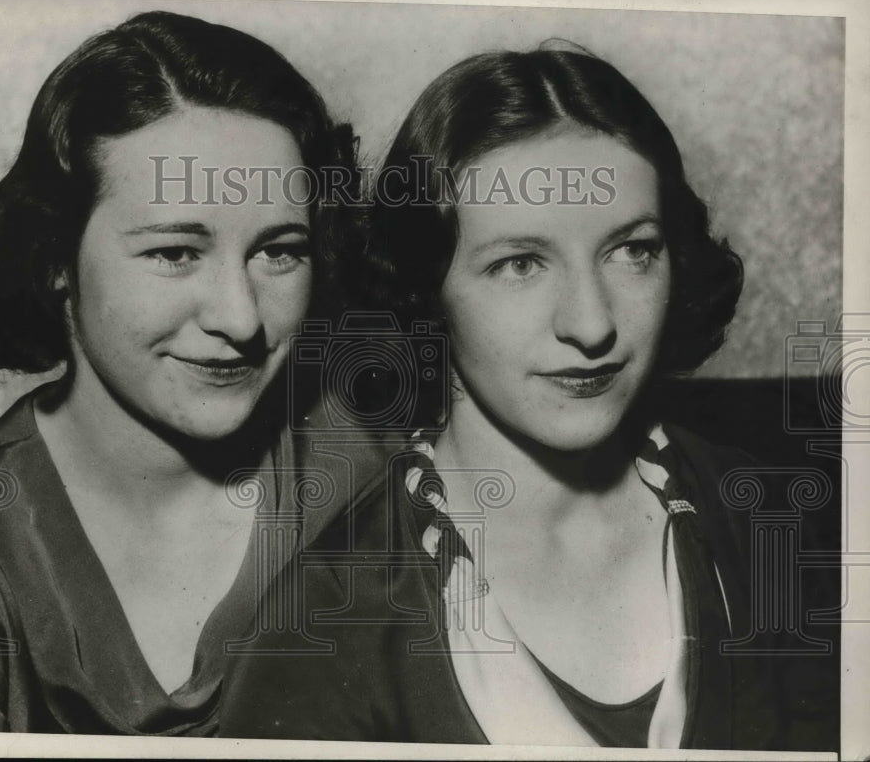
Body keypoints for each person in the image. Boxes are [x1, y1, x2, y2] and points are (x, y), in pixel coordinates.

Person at [219, 42, 838, 749]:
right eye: (520, 264)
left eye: (632, 250)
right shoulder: (324, 624)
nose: (592, 324)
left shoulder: (769, 521)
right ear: (424, 291)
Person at [0, 10, 367, 734]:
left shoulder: (372, 475)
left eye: (279, 251)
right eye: (175, 253)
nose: (240, 319)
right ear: (56, 259)